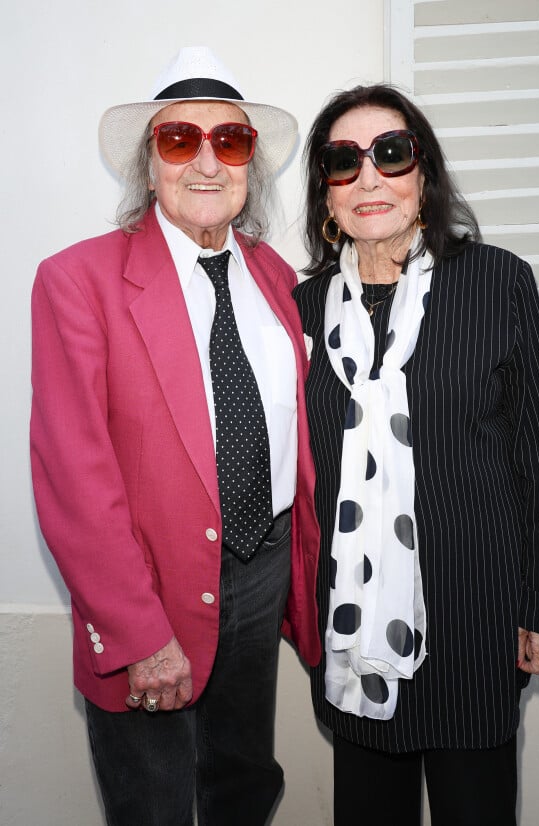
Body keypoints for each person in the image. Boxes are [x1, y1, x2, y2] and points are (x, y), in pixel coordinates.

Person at [30, 46, 320, 826]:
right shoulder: (78, 280)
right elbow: (72, 476)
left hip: (259, 575)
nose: (206, 161)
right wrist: (137, 636)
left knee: (243, 784)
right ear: (148, 162)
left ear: (250, 164)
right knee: (154, 805)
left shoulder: (278, 280)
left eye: (229, 142)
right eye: (179, 139)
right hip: (148, 595)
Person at [293, 83, 539, 826]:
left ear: (424, 176)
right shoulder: (300, 310)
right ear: (326, 191)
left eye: (391, 153)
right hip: (353, 633)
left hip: (475, 620)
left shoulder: (496, 281)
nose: (371, 177)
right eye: (344, 161)